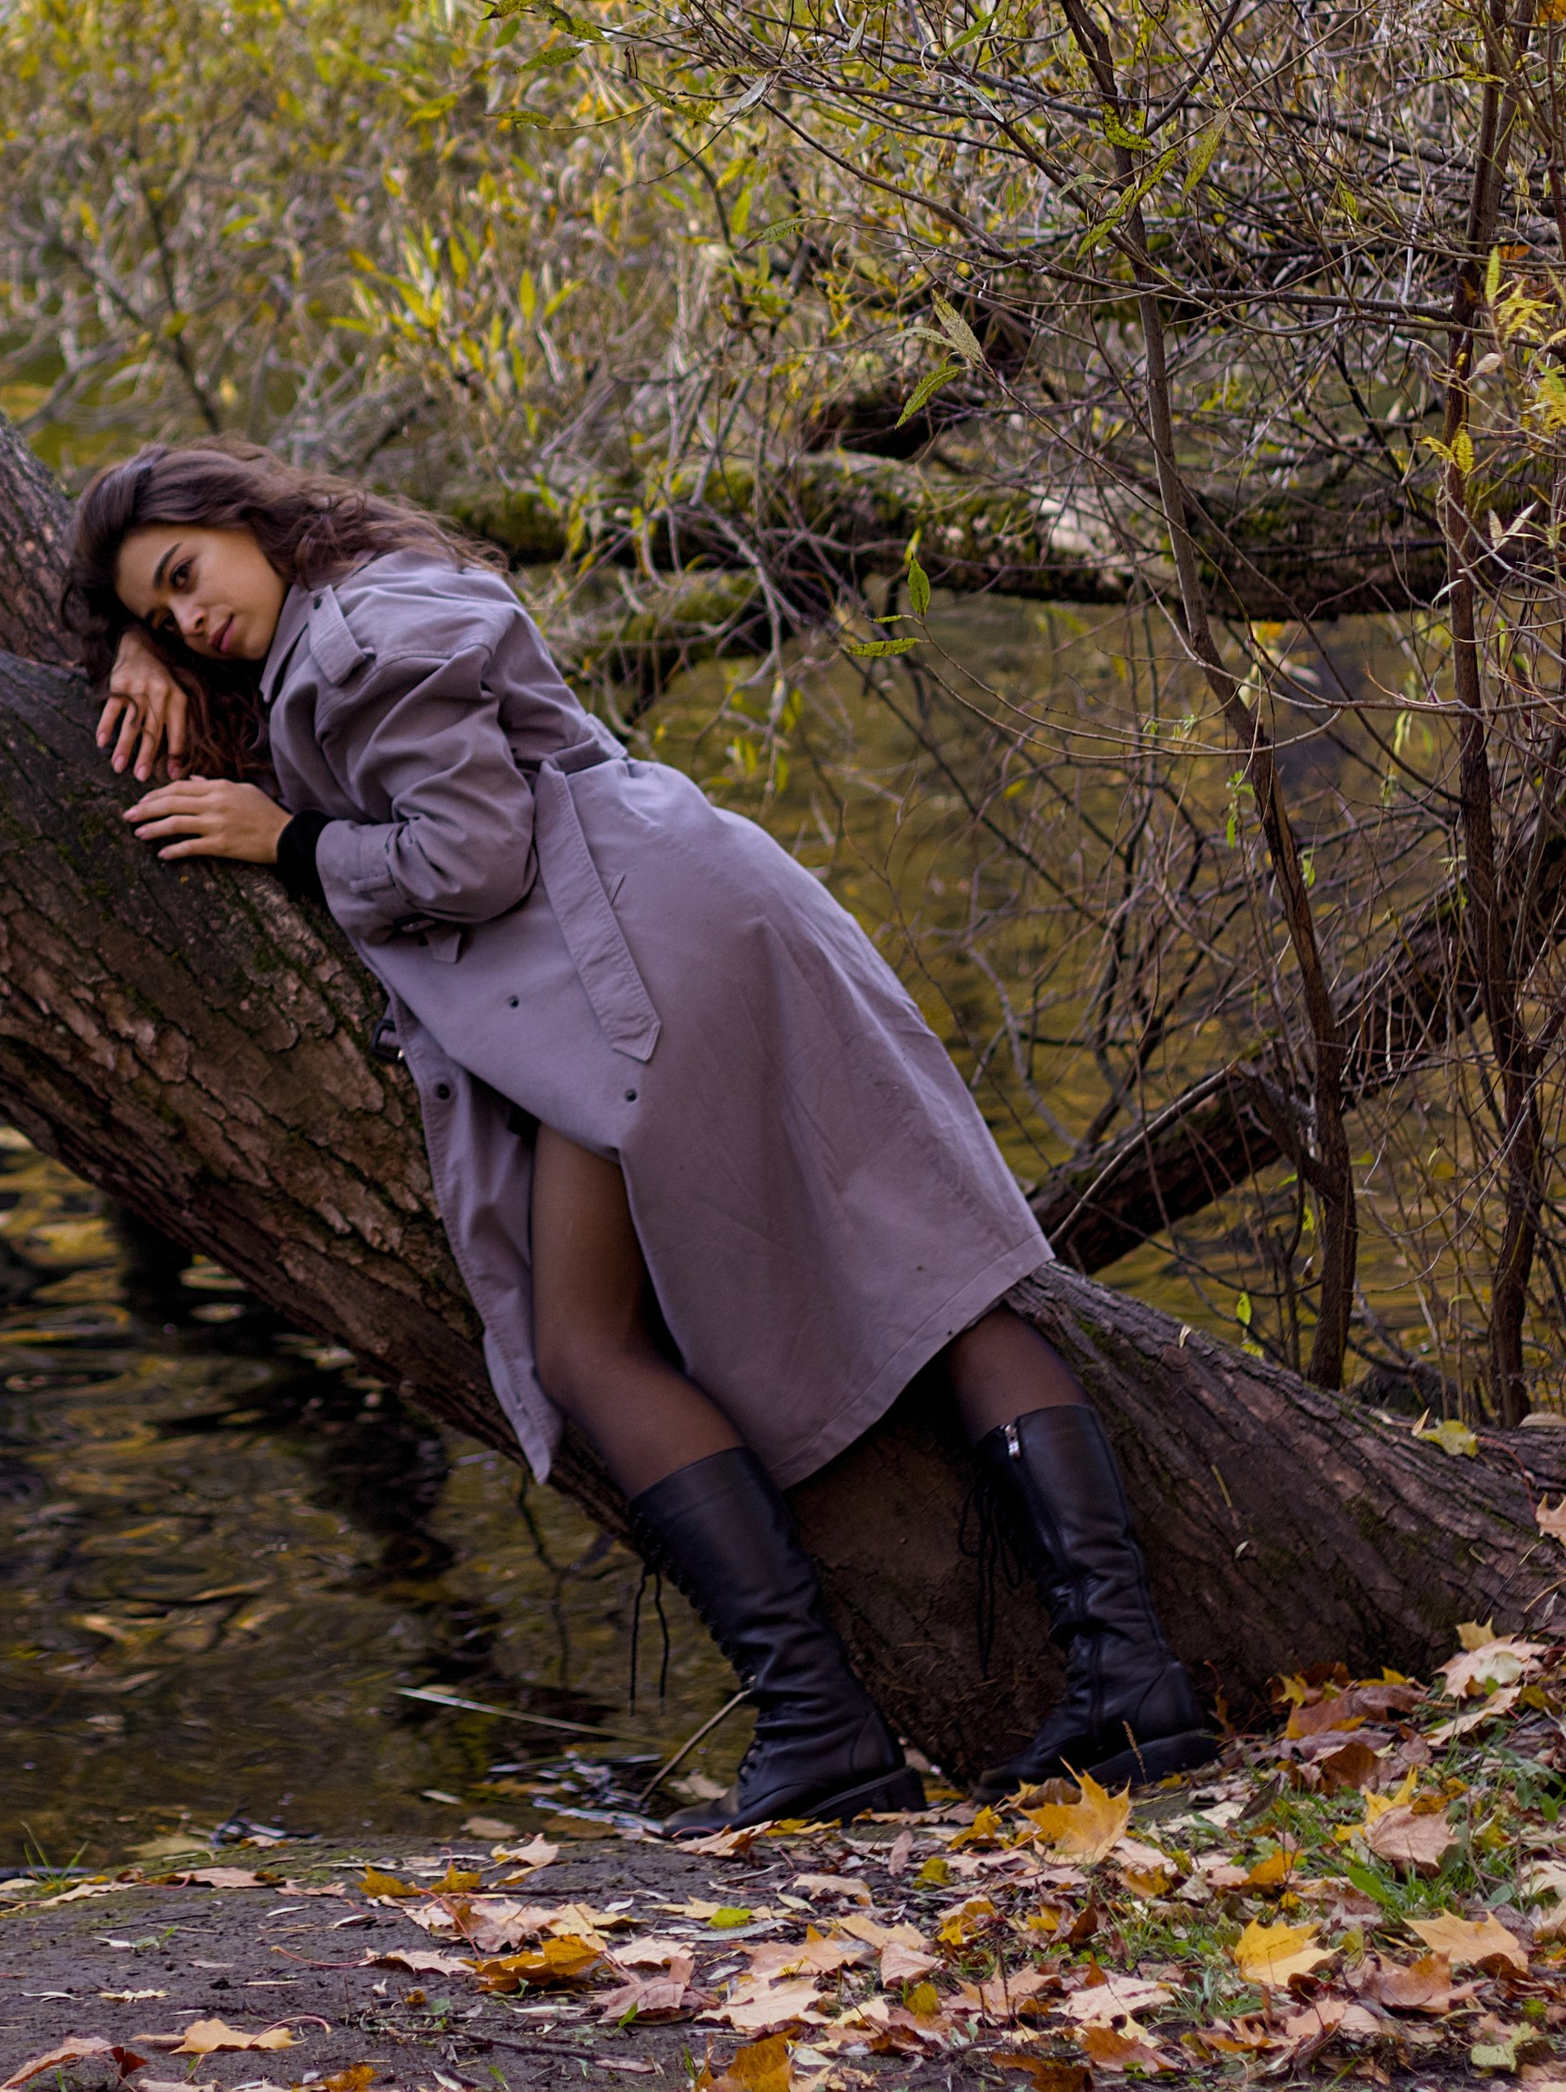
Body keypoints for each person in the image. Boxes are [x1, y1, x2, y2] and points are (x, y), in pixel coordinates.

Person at [74, 439, 1212, 1825]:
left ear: (243, 517)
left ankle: (828, 1724)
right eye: (160, 613)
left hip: (629, 954)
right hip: (688, 906)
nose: (190, 617)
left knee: (590, 1344)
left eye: (185, 575)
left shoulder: (357, 640)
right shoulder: (370, 591)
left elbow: (470, 853)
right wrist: (132, 653)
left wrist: (290, 842)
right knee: (929, 1276)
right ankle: (1122, 1684)